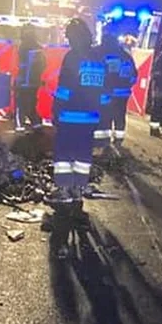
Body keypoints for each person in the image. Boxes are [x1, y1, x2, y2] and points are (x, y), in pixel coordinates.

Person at [50, 16, 105, 210]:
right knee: (83, 154)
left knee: (63, 154)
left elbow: (65, 88)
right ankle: (78, 190)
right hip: (90, 118)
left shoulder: (72, 57)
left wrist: (55, 109)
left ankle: (64, 191)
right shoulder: (99, 58)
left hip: (70, 116)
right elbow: (104, 92)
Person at [97, 22, 137, 148]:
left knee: (105, 115)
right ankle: (119, 140)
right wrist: (128, 86)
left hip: (108, 91)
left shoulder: (102, 53)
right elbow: (134, 74)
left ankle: (104, 141)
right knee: (120, 115)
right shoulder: (125, 55)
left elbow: (107, 74)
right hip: (123, 92)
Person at [13, 25, 47, 131]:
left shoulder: (23, 46)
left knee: (20, 105)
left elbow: (22, 64)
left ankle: (20, 128)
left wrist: (18, 81)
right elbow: (43, 65)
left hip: (24, 82)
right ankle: (37, 125)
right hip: (34, 82)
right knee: (31, 105)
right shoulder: (39, 48)